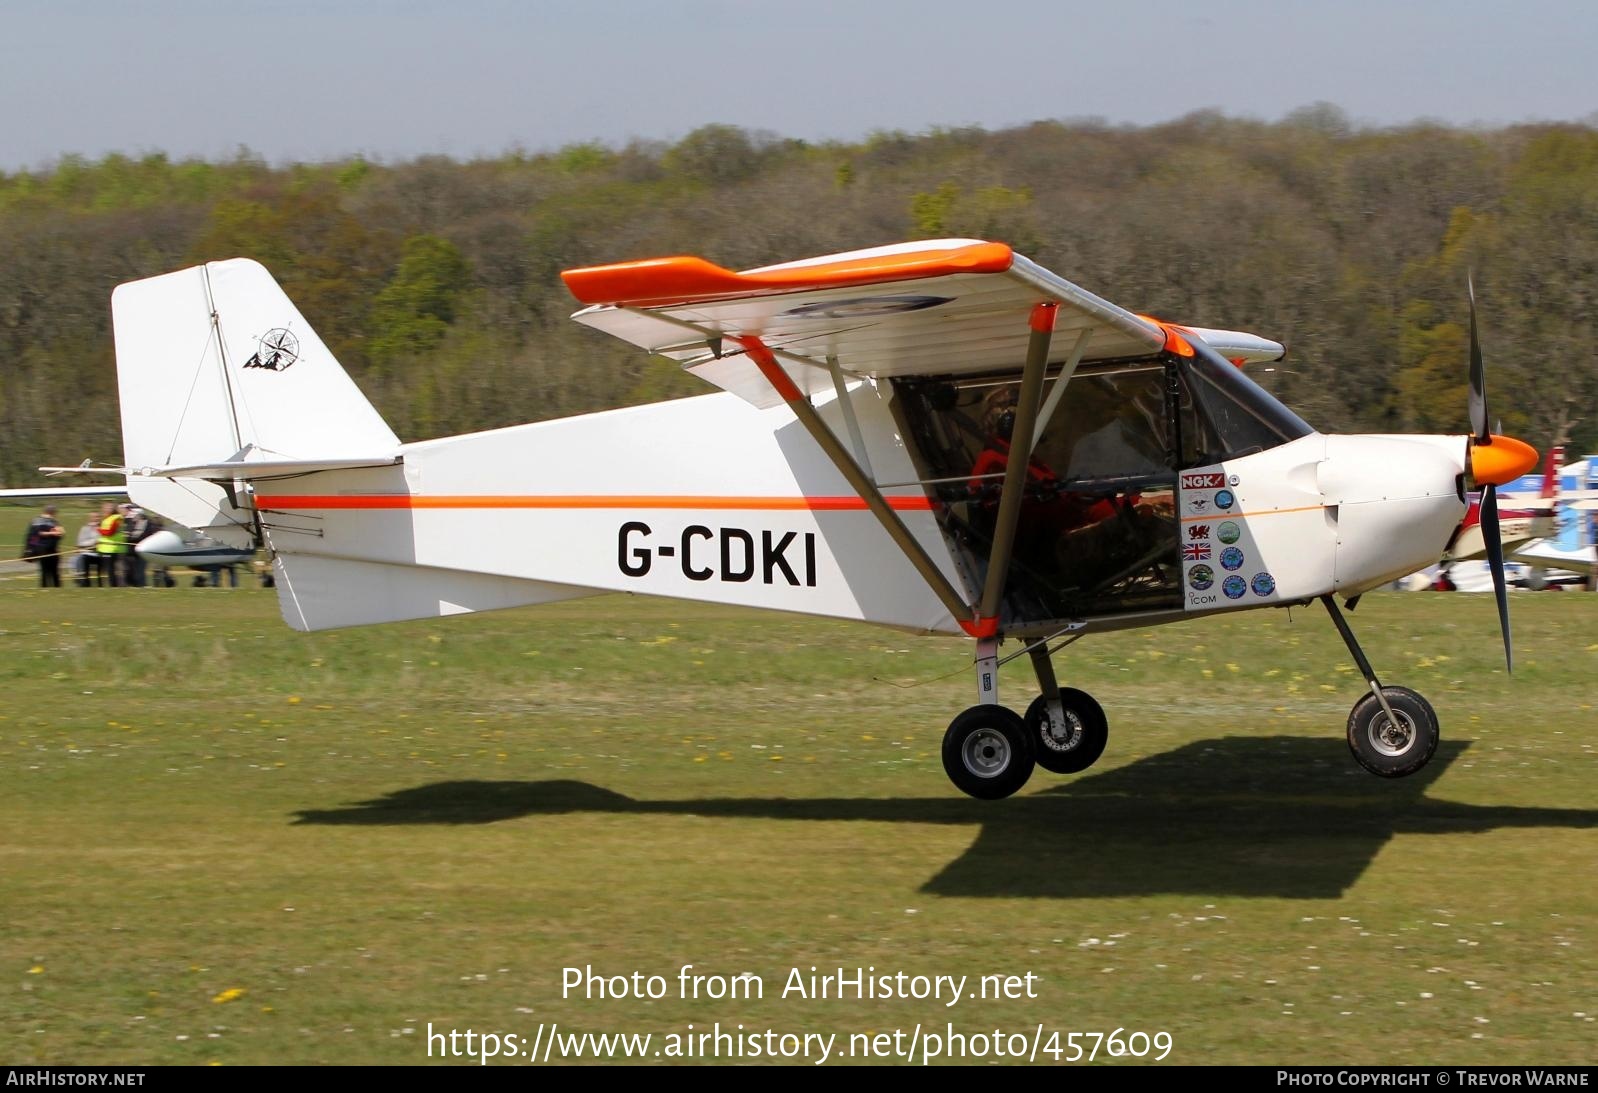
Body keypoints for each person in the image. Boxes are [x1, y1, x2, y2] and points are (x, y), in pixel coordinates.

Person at [23, 505, 65, 588]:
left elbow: (60, 534)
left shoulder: (53, 521)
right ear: (52, 512)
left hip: (50, 550)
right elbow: (37, 534)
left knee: (52, 572)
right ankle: (48, 589)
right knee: (48, 573)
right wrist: (52, 533)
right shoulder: (39, 521)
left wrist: (59, 532)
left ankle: (51, 589)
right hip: (44, 551)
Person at [95, 502, 129, 587]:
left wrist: (99, 529)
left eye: (108, 508)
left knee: (115, 569)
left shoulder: (116, 518)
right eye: (104, 508)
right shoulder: (107, 519)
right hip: (107, 548)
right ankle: (113, 586)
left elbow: (110, 532)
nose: (105, 510)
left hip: (114, 548)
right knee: (110, 570)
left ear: (113, 509)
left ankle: (118, 585)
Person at [74, 515, 101, 586]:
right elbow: (79, 543)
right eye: (94, 517)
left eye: (97, 517)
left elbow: (100, 541)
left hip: (99, 554)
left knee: (82, 558)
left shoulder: (102, 528)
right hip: (86, 553)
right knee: (74, 559)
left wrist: (95, 544)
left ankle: (82, 581)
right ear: (90, 518)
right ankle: (82, 580)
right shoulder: (84, 529)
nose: (96, 518)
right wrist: (91, 544)